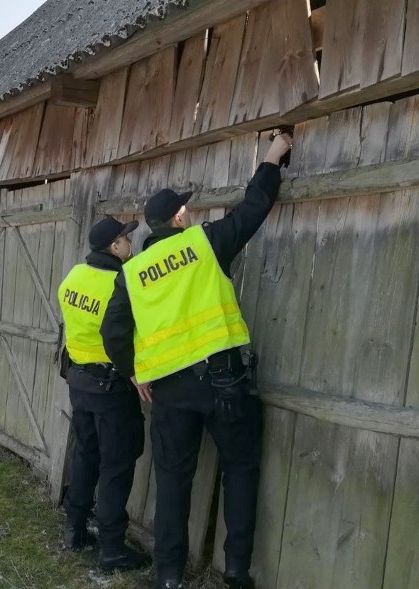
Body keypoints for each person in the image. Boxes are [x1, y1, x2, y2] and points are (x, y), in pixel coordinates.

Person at [100, 132, 293, 589]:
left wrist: (134, 373)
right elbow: (252, 209)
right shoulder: (205, 244)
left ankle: (168, 576)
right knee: (240, 472)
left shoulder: (131, 274)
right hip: (226, 384)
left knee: (172, 483)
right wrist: (271, 158)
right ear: (179, 217)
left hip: (169, 392)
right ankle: (237, 572)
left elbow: (113, 333)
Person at [57, 216, 151, 573]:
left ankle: (75, 527)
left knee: (86, 454)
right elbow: (129, 335)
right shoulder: (120, 283)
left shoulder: (73, 277)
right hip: (113, 388)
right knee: (117, 465)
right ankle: (111, 548)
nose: (130, 243)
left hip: (79, 383)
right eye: (126, 238)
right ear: (115, 246)